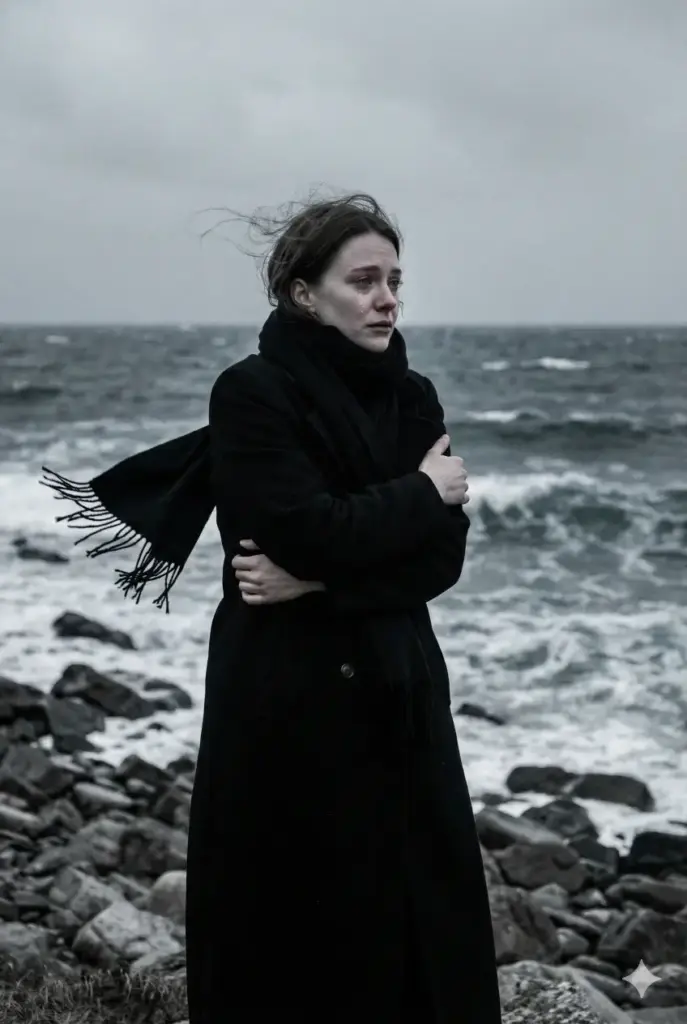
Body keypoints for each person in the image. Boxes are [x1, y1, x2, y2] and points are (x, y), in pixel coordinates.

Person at [41, 192, 501, 1023]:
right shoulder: (252, 393)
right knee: (292, 936)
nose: (387, 298)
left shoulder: (414, 397)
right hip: (289, 700)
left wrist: (323, 578)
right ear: (302, 292)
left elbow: (441, 556)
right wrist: (420, 491)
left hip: (399, 692)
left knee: (419, 933)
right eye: (363, 280)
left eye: (395, 279)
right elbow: (296, 529)